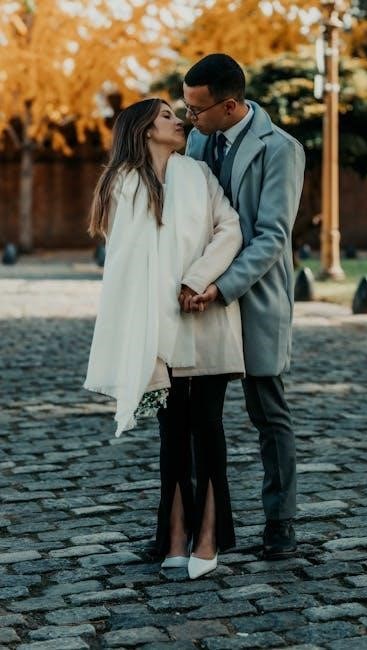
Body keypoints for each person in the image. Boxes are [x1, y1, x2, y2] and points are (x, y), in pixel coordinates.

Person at [84, 98, 245, 579]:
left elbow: (230, 228)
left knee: (208, 427)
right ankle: (174, 536)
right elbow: (127, 263)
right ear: (145, 130)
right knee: (172, 431)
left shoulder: (198, 174)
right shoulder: (121, 184)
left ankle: (209, 538)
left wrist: (197, 280)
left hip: (206, 314)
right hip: (155, 322)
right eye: (168, 117)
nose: (180, 121)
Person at [183, 53, 305, 559]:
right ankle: (205, 527)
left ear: (230, 106)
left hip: (253, 297)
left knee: (268, 412)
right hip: (202, 300)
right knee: (200, 418)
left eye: (197, 109)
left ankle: (281, 521)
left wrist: (222, 286)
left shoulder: (282, 150)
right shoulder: (197, 142)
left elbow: (272, 236)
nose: (189, 117)